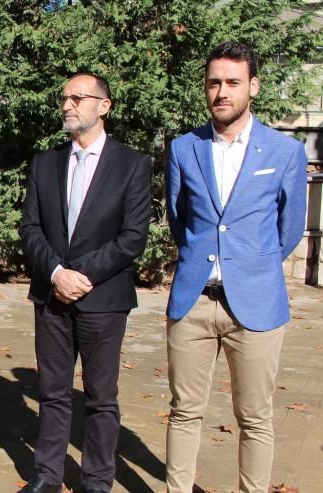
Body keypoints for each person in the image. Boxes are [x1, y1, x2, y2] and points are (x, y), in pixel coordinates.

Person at [164, 41, 307, 493]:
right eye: (213, 82)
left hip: (257, 305)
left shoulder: (285, 152)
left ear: (253, 87)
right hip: (192, 303)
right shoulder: (184, 148)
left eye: (232, 82)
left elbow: (288, 230)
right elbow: (178, 219)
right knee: (185, 411)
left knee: (256, 417)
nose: (221, 92)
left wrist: (251, 266)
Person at [17, 72, 151, 493]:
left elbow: (133, 237)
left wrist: (83, 274)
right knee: (53, 393)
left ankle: (97, 481)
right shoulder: (45, 162)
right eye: (65, 98)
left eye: (79, 97)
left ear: (104, 106)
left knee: (101, 398)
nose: (68, 104)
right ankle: (47, 476)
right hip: (51, 297)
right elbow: (30, 228)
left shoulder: (132, 163)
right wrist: (57, 273)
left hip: (103, 299)